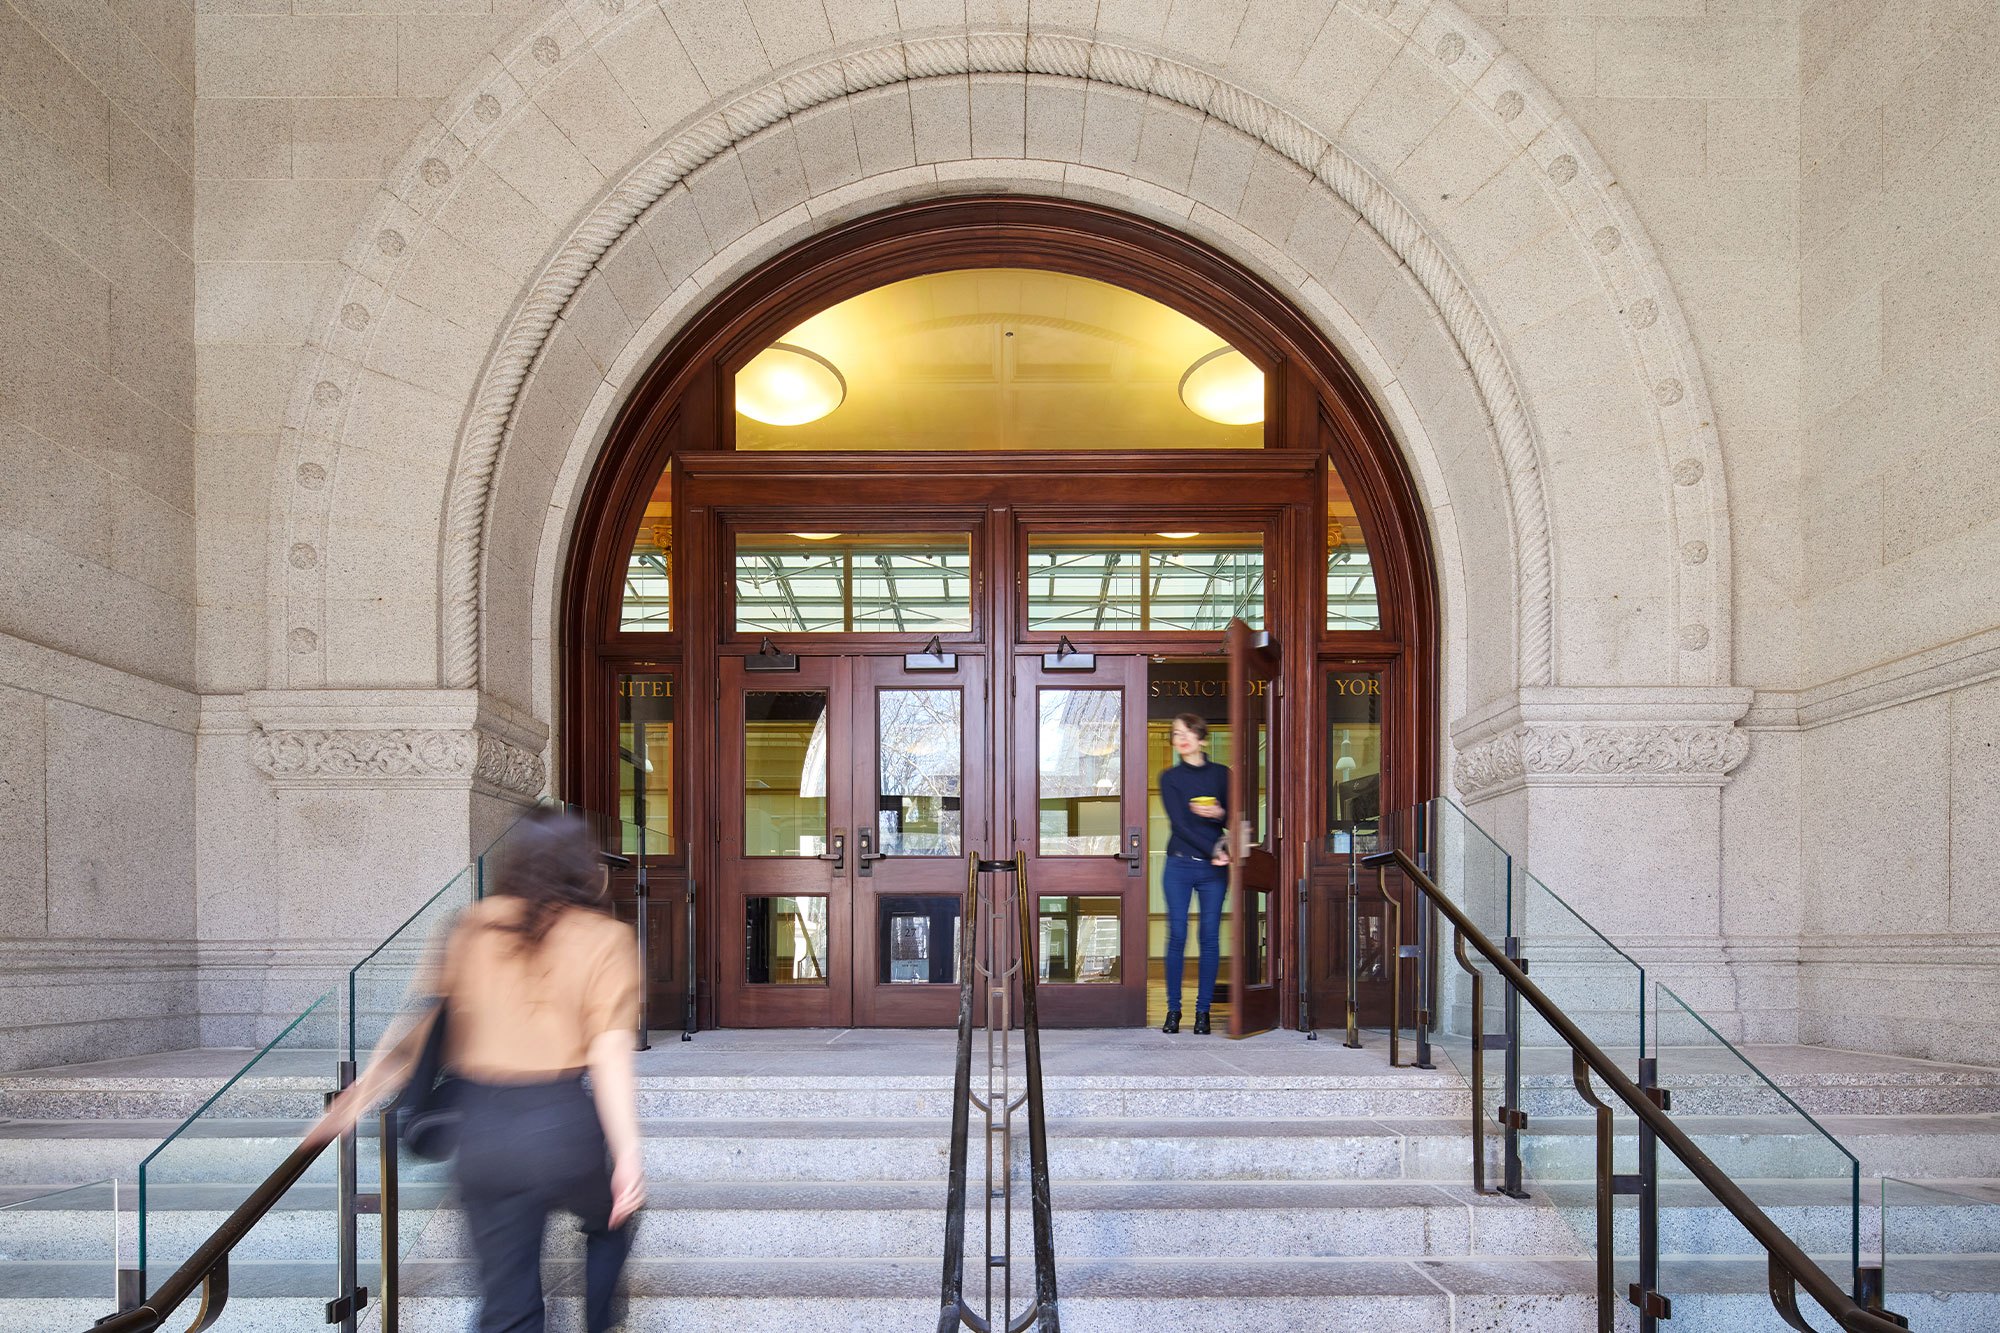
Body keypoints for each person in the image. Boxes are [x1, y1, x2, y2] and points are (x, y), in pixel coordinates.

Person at [310, 808, 645, 1333]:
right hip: (562, 1127)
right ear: (583, 866)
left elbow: (417, 1036)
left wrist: (357, 1098)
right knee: (611, 1219)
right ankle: (600, 1323)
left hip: (484, 1132)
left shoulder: (470, 927)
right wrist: (627, 1155)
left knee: (507, 1308)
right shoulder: (604, 938)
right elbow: (608, 1057)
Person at [1157, 712, 1230, 1035]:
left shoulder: (1222, 775)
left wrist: (1220, 812)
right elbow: (1180, 826)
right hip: (1179, 865)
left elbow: (1236, 817)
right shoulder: (1169, 777)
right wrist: (1214, 849)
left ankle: (1203, 1012)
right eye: (1176, 733)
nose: (1182, 738)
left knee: (1209, 938)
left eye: (1188, 732)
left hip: (1214, 871)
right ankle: (1173, 1010)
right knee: (1177, 935)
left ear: (1201, 737)